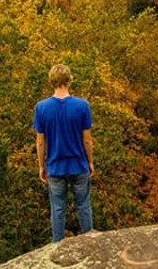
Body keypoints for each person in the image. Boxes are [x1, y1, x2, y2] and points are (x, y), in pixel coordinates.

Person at [33, 64, 94, 242]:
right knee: (83, 205)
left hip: (55, 165)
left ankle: (57, 245)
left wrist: (41, 166)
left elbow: (40, 141)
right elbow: (87, 140)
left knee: (57, 208)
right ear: (69, 80)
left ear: (52, 81)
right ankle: (89, 241)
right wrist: (90, 161)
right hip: (78, 163)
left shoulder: (41, 108)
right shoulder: (82, 106)